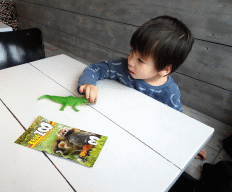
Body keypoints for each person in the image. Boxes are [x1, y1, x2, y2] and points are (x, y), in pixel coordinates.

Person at [77, 15, 206, 159]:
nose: (130, 61)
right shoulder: (123, 68)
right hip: (108, 125)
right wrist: (88, 83)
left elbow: (176, 122)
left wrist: (190, 144)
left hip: (137, 142)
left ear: (164, 69)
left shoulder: (170, 92)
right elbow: (96, 69)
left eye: (141, 60)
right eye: (132, 51)